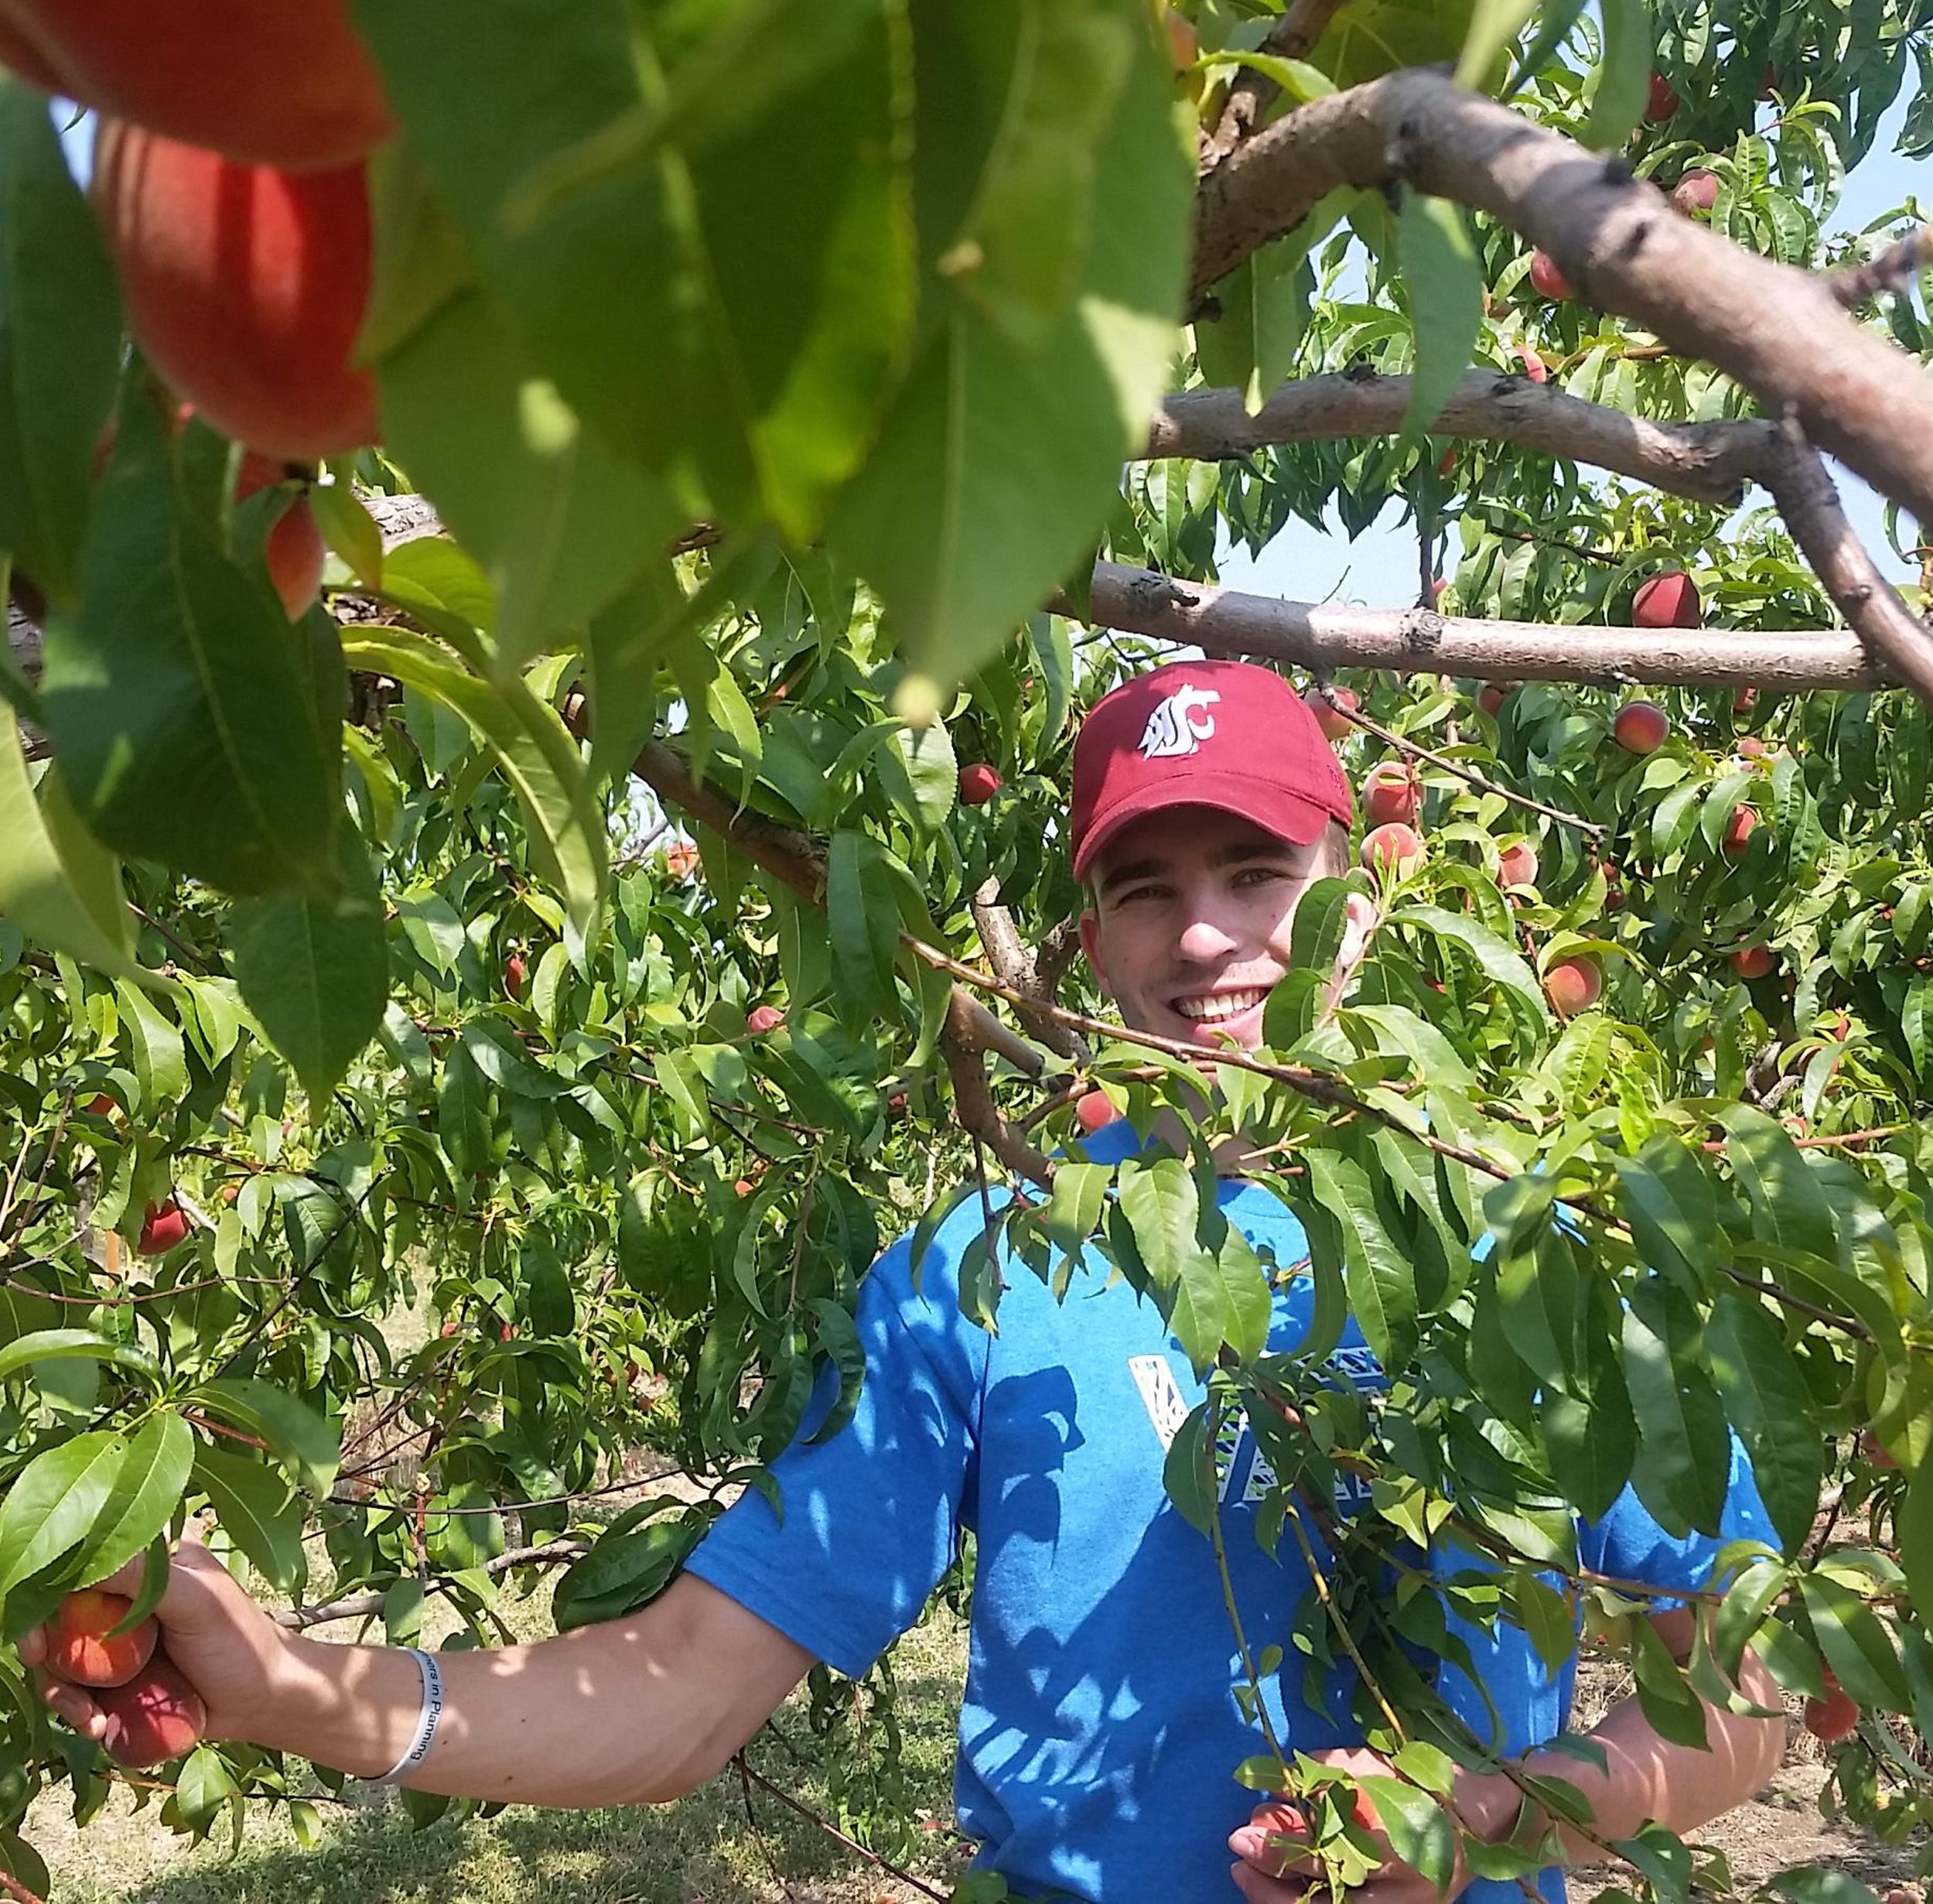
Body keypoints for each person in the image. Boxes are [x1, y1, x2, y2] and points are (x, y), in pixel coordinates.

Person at [22, 661, 1784, 1904]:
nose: (1200, 936)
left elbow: (1756, 1679)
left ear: (1360, 899)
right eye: (1144, 887)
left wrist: (1492, 1812)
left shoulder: (1524, 1249)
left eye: (1259, 872)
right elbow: (683, 1685)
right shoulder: (980, 1269)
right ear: (1081, 941)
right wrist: (292, 1684)